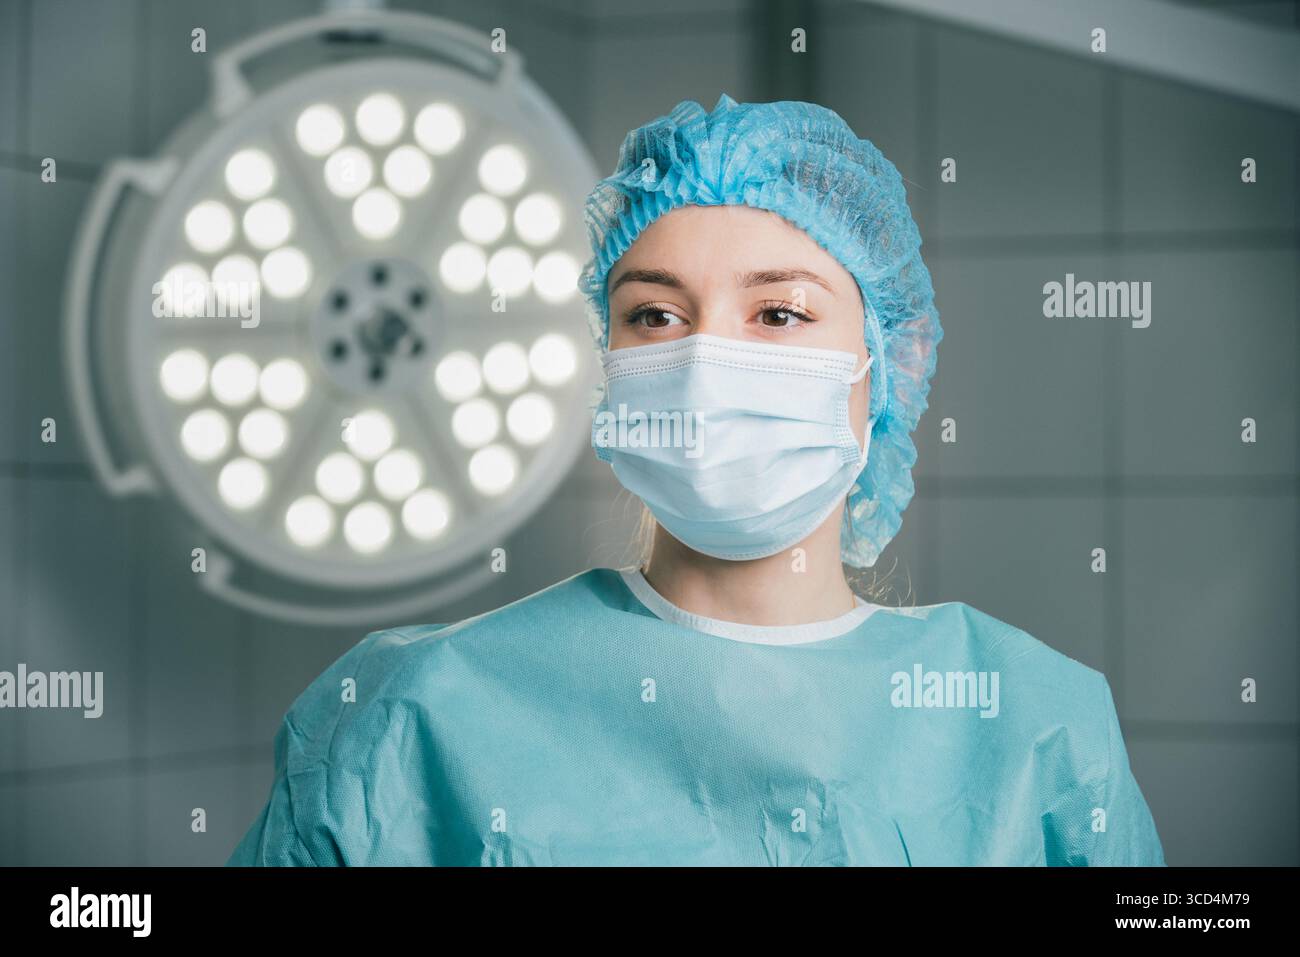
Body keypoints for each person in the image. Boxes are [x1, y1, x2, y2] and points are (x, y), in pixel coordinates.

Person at [227, 94, 1165, 866]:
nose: (709, 362)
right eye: (656, 314)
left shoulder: (1035, 729)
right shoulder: (417, 712)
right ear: (611, 359)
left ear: (889, 362)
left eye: (780, 313)